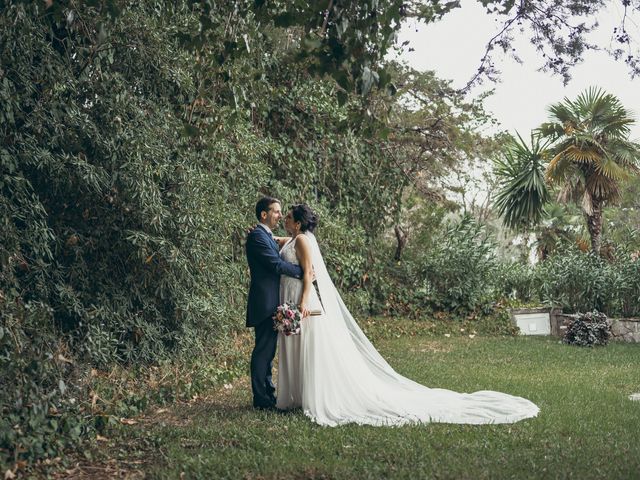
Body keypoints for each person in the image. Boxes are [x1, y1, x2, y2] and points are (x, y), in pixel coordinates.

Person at [276, 203, 539, 426]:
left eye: (287, 217)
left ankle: (313, 396)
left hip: (304, 301)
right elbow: (284, 244)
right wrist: (266, 235)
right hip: (296, 297)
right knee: (301, 345)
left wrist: (301, 304)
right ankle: (299, 395)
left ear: (298, 224)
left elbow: (309, 274)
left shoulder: (301, 241)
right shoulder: (298, 239)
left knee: (309, 347)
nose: (284, 220)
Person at [245, 197, 303, 410]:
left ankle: (267, 395)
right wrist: (302, 272)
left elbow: (284, 245)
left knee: (267, 352)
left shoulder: (264, 235)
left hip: (271, 301)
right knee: (263, 352)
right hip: (264, 302)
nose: (280, 215)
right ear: (264, 215)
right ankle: (261, 401)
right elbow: (276, 264)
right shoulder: (257, 237)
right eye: (276, 212)